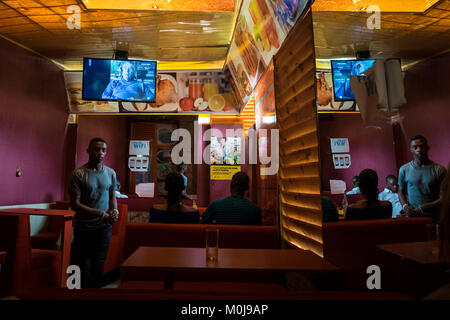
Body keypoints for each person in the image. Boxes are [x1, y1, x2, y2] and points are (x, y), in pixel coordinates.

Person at [69, 137, 119, 288]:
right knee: (84, 266)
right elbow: (75, 204)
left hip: (104, 228)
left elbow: (112, 197)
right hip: (83, 228)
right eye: (97, 149)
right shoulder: (78, 174)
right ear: (88, 151)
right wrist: (100, 213)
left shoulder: (110, 173)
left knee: (99, 266)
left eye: (103, 150)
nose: (100, 153)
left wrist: (114, 210)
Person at [398, 135, 446, 221]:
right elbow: (400, 191)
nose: (419, 150)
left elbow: (443, 198)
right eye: (415, 147)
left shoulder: (439, 170)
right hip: (413, 217)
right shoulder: (404, 169)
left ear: (427, 148)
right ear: (411, 149)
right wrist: (405, 206)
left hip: (433, 217)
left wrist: (421, 208)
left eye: (422, 146)